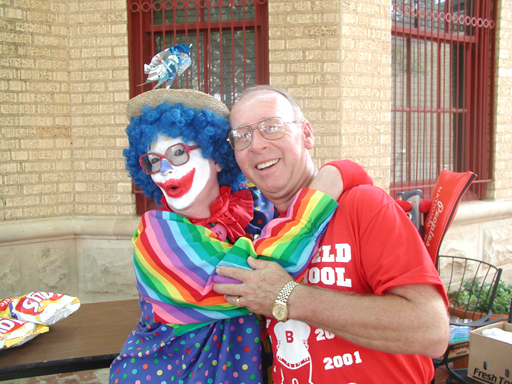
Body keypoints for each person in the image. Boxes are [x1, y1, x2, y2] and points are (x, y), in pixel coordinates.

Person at [109, 87, 373, 384]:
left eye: (178, 153)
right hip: (172, 375)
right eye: (153, 161)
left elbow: (311, 216)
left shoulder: (255, 205)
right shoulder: (156, 236)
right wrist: (338, 175)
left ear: (217, 156)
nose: (165, 171)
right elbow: (252, 278)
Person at [213, 85, 451, 384]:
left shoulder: (363, 204)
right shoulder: (255, 233)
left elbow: (431, 331)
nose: (256, 144)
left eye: (271, 127)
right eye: (242, 135)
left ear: (307, 135)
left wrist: (288, 297)